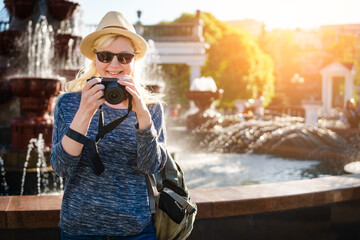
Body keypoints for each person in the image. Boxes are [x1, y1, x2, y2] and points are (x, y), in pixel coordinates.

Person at [50, 11, 167, 239]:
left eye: (124, 57)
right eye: (105, 56)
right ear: (94, 58)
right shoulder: (69, 102)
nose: (115, 65)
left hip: (135, 230)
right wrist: (84, 112)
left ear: (134, 60)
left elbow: (151, 166)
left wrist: (142, 117)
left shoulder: (150, 108)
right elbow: (61, 167)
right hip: (79, 230)